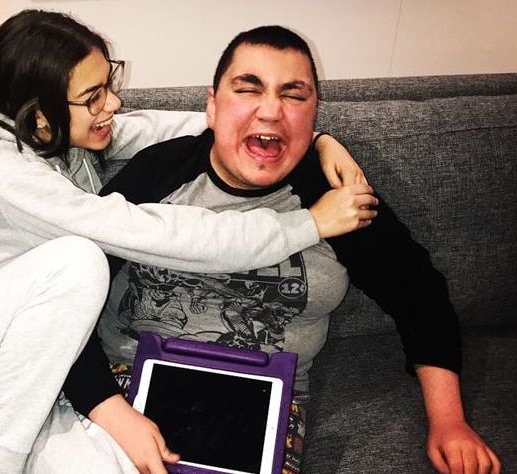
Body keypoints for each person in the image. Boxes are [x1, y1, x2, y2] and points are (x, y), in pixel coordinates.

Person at [0, 10, 373, 474]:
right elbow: (155, 232)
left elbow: (156, 127)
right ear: (39, 114)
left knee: (129, 463)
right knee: (78, 260)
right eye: (94, 96)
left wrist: (304, 136)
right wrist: (306, 224)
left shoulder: (52, 130)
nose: (114, 104)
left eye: (109, 83)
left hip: (9, 376)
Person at [81, 25, 503, 474]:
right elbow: (67, 293)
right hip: (129, 381)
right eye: (249, 88)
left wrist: (450, 422)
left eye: (293, 95)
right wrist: (107, 406)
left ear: (314, 113)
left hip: (262, 398)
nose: (270, 111)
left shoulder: (335, 194)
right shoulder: (159, 172)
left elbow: (419, 295)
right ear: (212, 104)